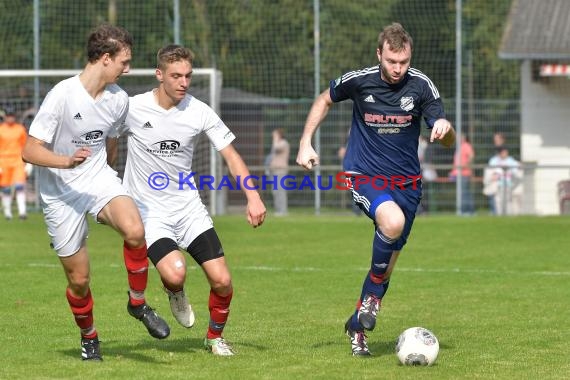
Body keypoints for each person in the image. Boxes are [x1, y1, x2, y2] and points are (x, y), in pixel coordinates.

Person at [296, 22, 455, 356]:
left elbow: (448, 139)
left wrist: (446, 128)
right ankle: (369, 302)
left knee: (385, 269)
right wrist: (305, 141)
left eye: (404, 62)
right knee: (392, 223)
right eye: (391, 61)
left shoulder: (421, 85)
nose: (398, 69)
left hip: (408, 186)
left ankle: (357, 328)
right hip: (365, 174)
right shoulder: (360, 80)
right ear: (379, 54)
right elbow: (324, 99)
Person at [21, 24, 170, 362]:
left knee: (135, 229)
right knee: (79, 280)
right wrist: (65, 161)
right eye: (124, 61)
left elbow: (112, 139)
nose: (128, 69)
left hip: (98, 180)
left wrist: (110, 184)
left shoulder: (118, 99)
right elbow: (29, 151)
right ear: (105, 58)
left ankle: (137, 302)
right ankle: (89, 338)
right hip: (60, 194)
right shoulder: (62, 95)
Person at [119, 44, 266, 356]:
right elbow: (107, 135)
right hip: (149, 213)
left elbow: (230, 155)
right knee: (175, 272)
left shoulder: (198, 110)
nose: (183, 82)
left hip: (188, 209)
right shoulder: (132, 107)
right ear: (159, 75)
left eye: (187, 75)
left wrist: (253, 196)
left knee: (223, 280)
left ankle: (214, 338)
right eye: (175, 76)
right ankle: (176, 292)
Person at [0, 107, 30, 220]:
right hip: (3, 161)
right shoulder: (1, 129)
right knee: (6, 188)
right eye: (8, 116)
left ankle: (22, 212)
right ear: (5, 117)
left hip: (18, 160)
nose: (10, 118)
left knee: (19, 186)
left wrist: (28, 163)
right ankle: (8, 213)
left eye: (12, 116)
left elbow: (25, 146)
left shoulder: (20, 129)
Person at [484, 146, 523, 215]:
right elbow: (490, 171)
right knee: (498, 201)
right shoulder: (494, 161)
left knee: (507, 201)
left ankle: (508, 215)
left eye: (506, 152)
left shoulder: (511, 161)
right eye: (503, 152)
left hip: (508, 184)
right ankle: (500, 215)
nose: (505, 154)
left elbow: (516, 170)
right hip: (498, 184)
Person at [449, 134, 475, 215]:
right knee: (463, 192)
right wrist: (453, 172)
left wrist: (465, 165)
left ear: (463, 138)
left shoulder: (466, 145)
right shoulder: (459, 147)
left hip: (464, 173)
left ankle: (467, 211)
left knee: (464, 193)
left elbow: (471, 156)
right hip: (458, 174)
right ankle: (465, 210)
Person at [268, 128, 290, 216]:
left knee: (280, 191)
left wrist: (275, 139)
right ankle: (278, 210)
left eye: (275, 135)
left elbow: (276, 148)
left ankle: (283, 211)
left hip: (281, 171)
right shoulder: (277, 143)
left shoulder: (283, 143)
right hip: (275, 171)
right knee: (275, 191)